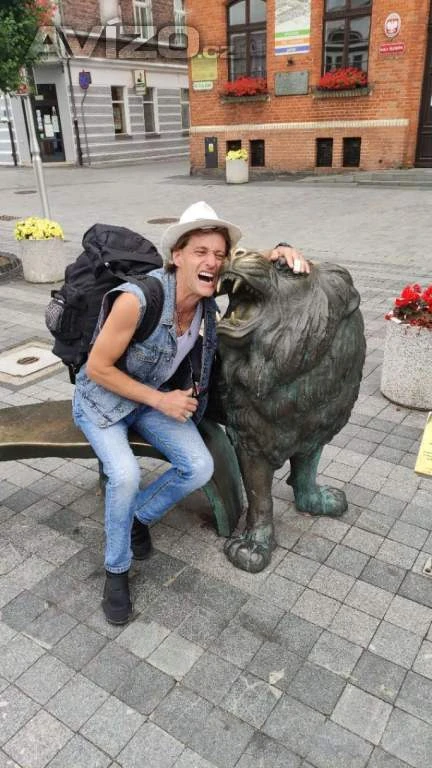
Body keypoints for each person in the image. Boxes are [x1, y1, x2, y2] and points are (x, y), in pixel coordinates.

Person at [73, 201, 309, 624]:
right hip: (102, 402)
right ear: (177, 255)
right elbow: (97, 368)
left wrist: (281, 249)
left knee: (199, 466)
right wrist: (161, 400)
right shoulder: (137, 300)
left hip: (149, 400)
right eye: (201, 251)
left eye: (218, 254)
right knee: (124, 475)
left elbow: (245, 268)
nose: (212, 262)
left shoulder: (204, 290)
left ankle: (137, 518)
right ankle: (116, 569)